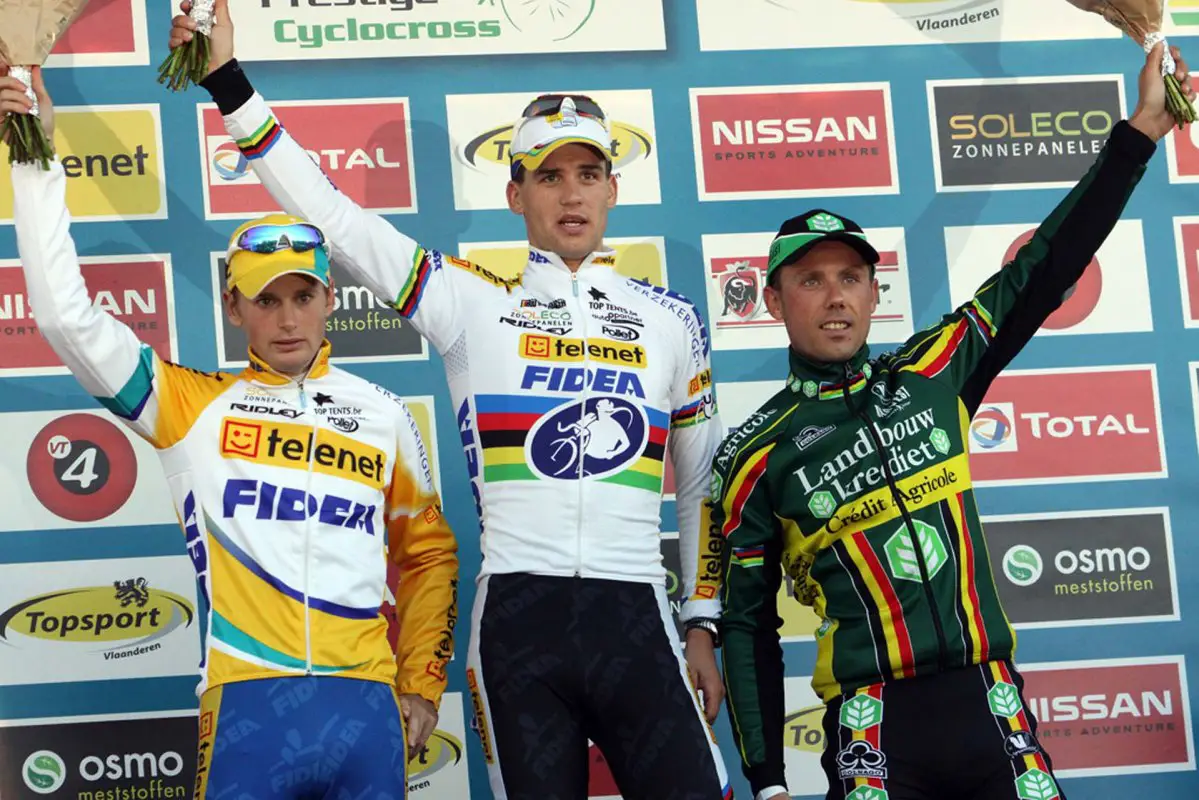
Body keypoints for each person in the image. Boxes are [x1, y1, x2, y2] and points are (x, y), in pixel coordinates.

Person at [168, 2, 732, 798]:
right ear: (515, 194)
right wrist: (228, 81)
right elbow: (332, 214)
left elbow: (702, 482)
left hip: (638, 615)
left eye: (587, 173)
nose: (569, 194)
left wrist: (702, 620)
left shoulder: (669, 322)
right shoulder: (469, 303)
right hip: (517, 624)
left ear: (612, 187)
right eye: (547, 175)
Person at [710, 44, 1193, 800]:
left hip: (987, 699)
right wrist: (765, 780)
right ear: (772, 302)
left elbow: (1044, 267)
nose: (833, 297)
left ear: (874, 293)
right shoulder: (753, 454)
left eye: (849, 277)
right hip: (869, 724)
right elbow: (744, 626)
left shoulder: (937, 370)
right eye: (809, 280)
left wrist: (1137, 133)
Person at [2, 65, 460, 799]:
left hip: (366, 706)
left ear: (329, 298)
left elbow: (429, 554)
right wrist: (34, 156)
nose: (286, 317)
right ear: (233, 305)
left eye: (302, 295)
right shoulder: (189, 406)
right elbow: (64, 318)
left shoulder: (382, 411)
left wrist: (421, 685)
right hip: (249, 704)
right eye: (265, 297)